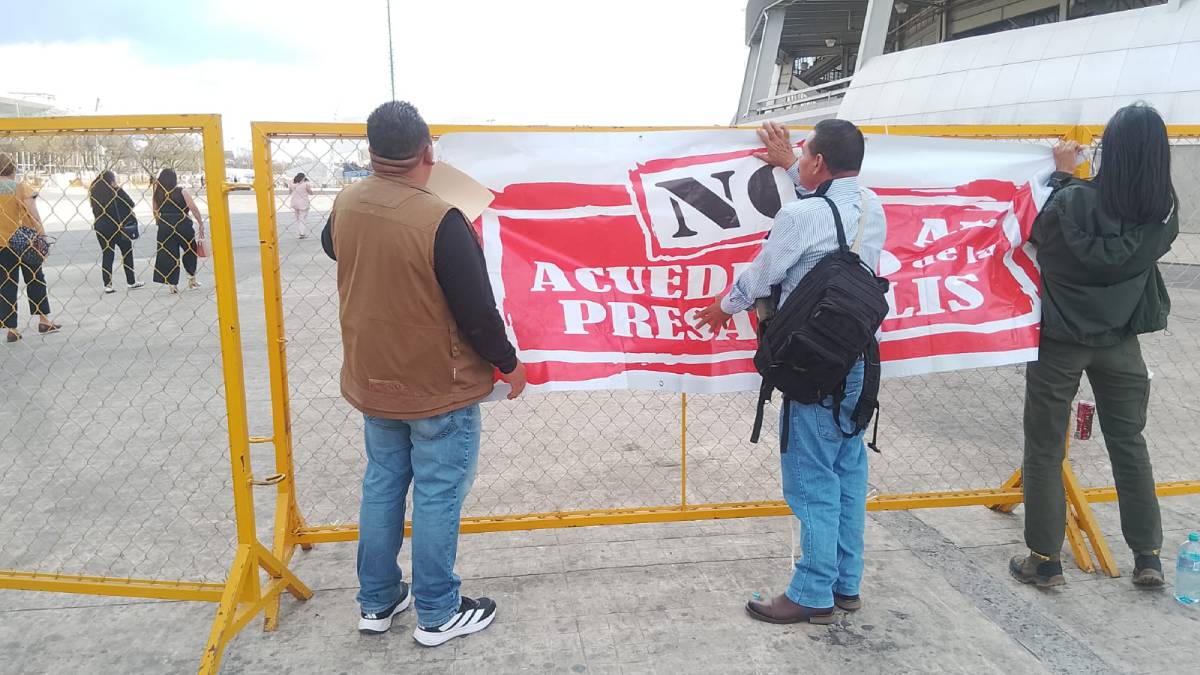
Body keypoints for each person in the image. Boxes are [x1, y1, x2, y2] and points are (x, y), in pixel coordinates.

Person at [320, 100, 527, 645]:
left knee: (382, 484)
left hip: (372, 379)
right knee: (437, 493)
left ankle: (378, 600)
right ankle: (437, 611)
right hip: (439, 387)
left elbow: (330, 247)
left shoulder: (346, 203)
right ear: (428, 150)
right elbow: (477, 312)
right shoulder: (441, 219)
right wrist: (509, 364)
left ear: (371, 152)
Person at [696, 120, 887, 624]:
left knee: (811, 481)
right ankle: (846, 585)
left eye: (804, 155)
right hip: (861, 362)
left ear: (820, 162)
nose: (799, 161)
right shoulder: (872, 208)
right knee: (846, 471)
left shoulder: (800, 216)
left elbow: (763, 273)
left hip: (814, 365)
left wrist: (723, 307)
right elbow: (828, 211)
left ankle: (811, 593)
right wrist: (789, 166)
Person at [1010, 103, 1179, 589]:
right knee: (1129, 443)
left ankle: (1044, 559)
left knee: (1044, 446)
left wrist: (1062, 175)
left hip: (1060, 339)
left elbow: (1037, 231)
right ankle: (1148, 555)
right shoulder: (1162, 215)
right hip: (1121, 340)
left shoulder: (1072, 201)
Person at [1, 153, 61, 343]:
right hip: (25, 241)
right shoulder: (21, 188)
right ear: (13, 168)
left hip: (2, 243)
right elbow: (34, 214)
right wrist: (42, 236)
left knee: (7, 284)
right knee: (35, 278)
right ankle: (43, 320)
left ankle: (12, 328)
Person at [88, 170, 144, 293]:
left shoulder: (94, 192)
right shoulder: (116, 191)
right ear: (111, 180)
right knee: (127, 252)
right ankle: (131, 281)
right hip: (118, 226)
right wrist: (118, 188)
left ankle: (107, 285)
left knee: (107, 254)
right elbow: (131, 203)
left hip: (101, 226)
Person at [151, 168, 205, 293]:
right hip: (182, 223)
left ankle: (172, 284)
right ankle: (192, 278)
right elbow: (193, 208)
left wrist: (158, 222)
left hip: (165, 225)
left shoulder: (158, 193)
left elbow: (155, 210)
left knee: (169, 254)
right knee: (190, 249)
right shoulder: (181, 191)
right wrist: (200, 222)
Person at [288, 172, 315, 239]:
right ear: (303, 178)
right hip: (303, 203)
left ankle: (300, 231)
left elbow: (290, 192)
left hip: (295, 202)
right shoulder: (305, 184)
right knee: (302, 218)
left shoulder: (292, 183)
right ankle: (302, 233)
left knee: (298, 218)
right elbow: (310, 192)